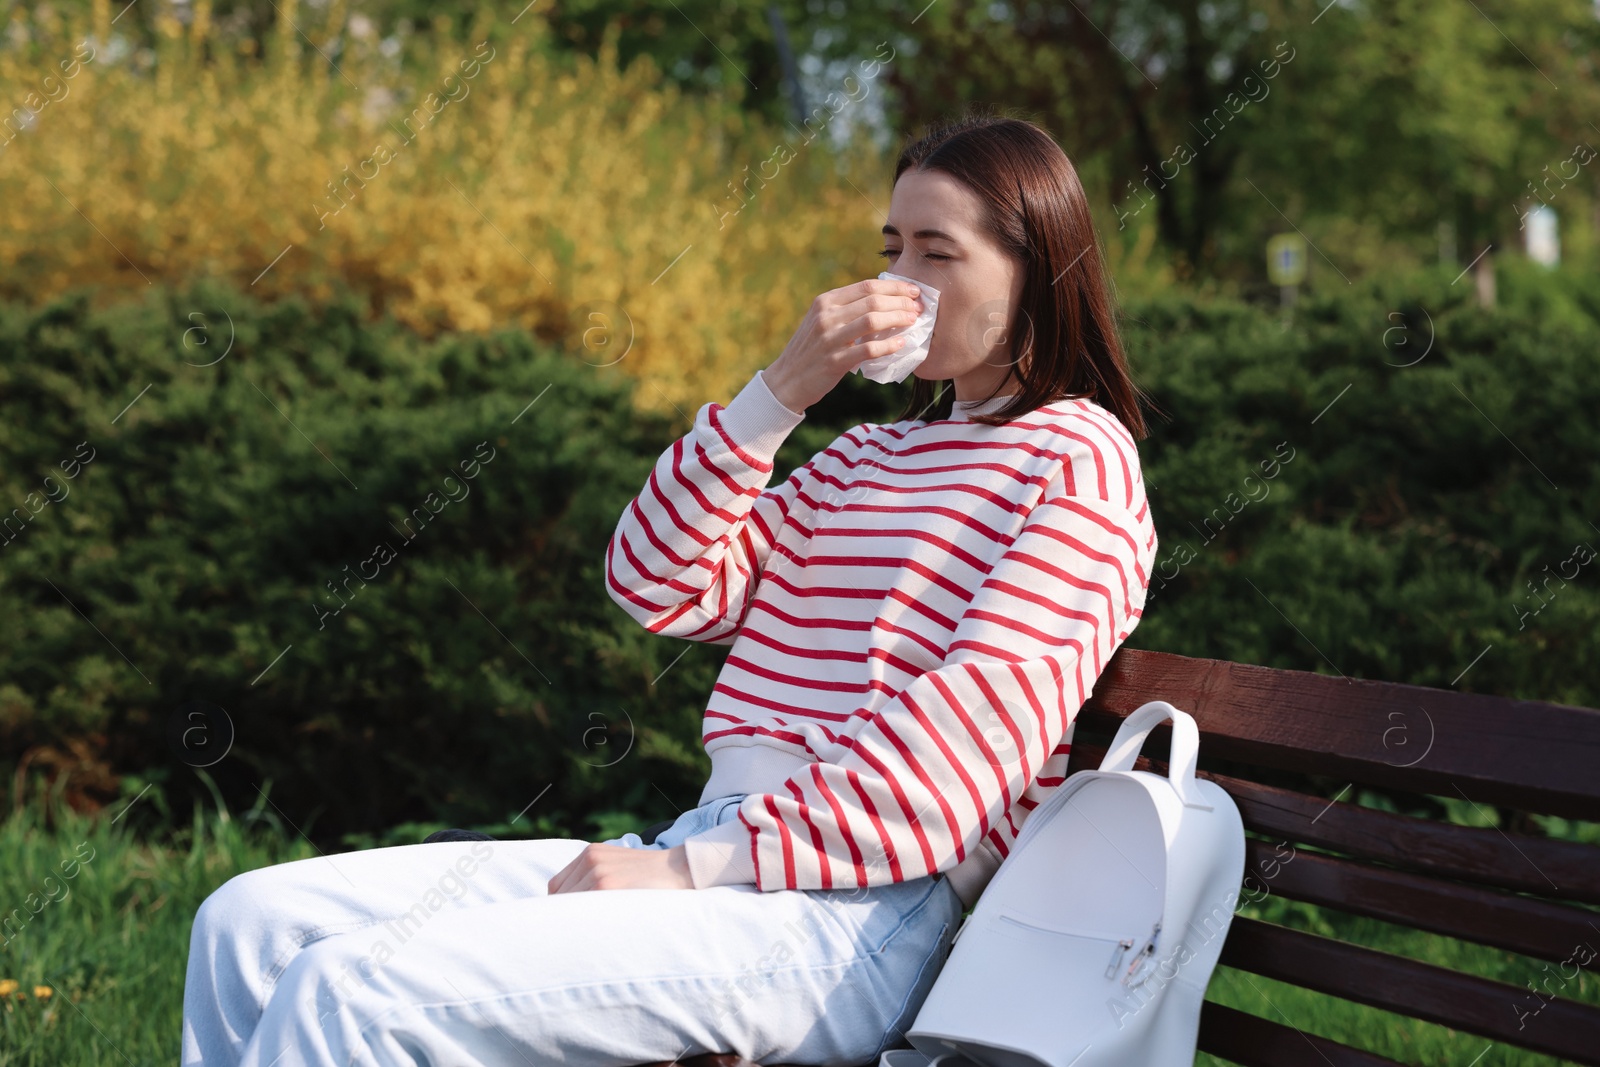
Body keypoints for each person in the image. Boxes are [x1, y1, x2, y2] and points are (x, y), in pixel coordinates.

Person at [180, 109, 1158, 1067]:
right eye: (890, 247)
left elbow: (954, 762)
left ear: (1037, 272)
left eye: (936, 255)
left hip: (850, 914)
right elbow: (657, 581)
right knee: (251, 923)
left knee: (350, 992)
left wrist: (686, 870)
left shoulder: (1075, 463)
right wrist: (778, 391)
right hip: (721, 852)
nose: (896, 283)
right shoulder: (867, 457)